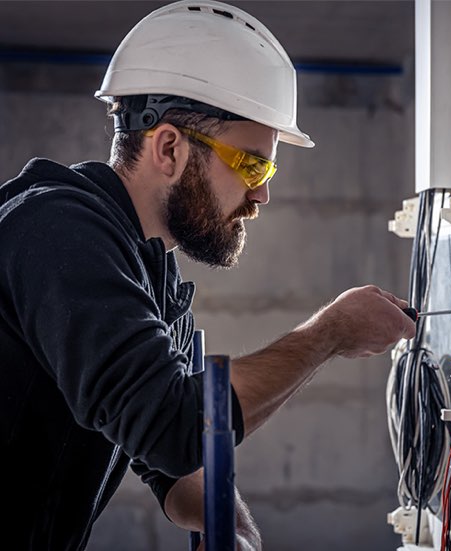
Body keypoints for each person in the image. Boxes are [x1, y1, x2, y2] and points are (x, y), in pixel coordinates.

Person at [0, 1, 416, 549]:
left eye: (268, 169)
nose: (262, 193)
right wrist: (328, 335)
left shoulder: (149, 274)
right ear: (169, 147)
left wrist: (233, 525)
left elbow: (169, 460)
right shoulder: (57, 231)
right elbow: (174, 424)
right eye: (251, 164)